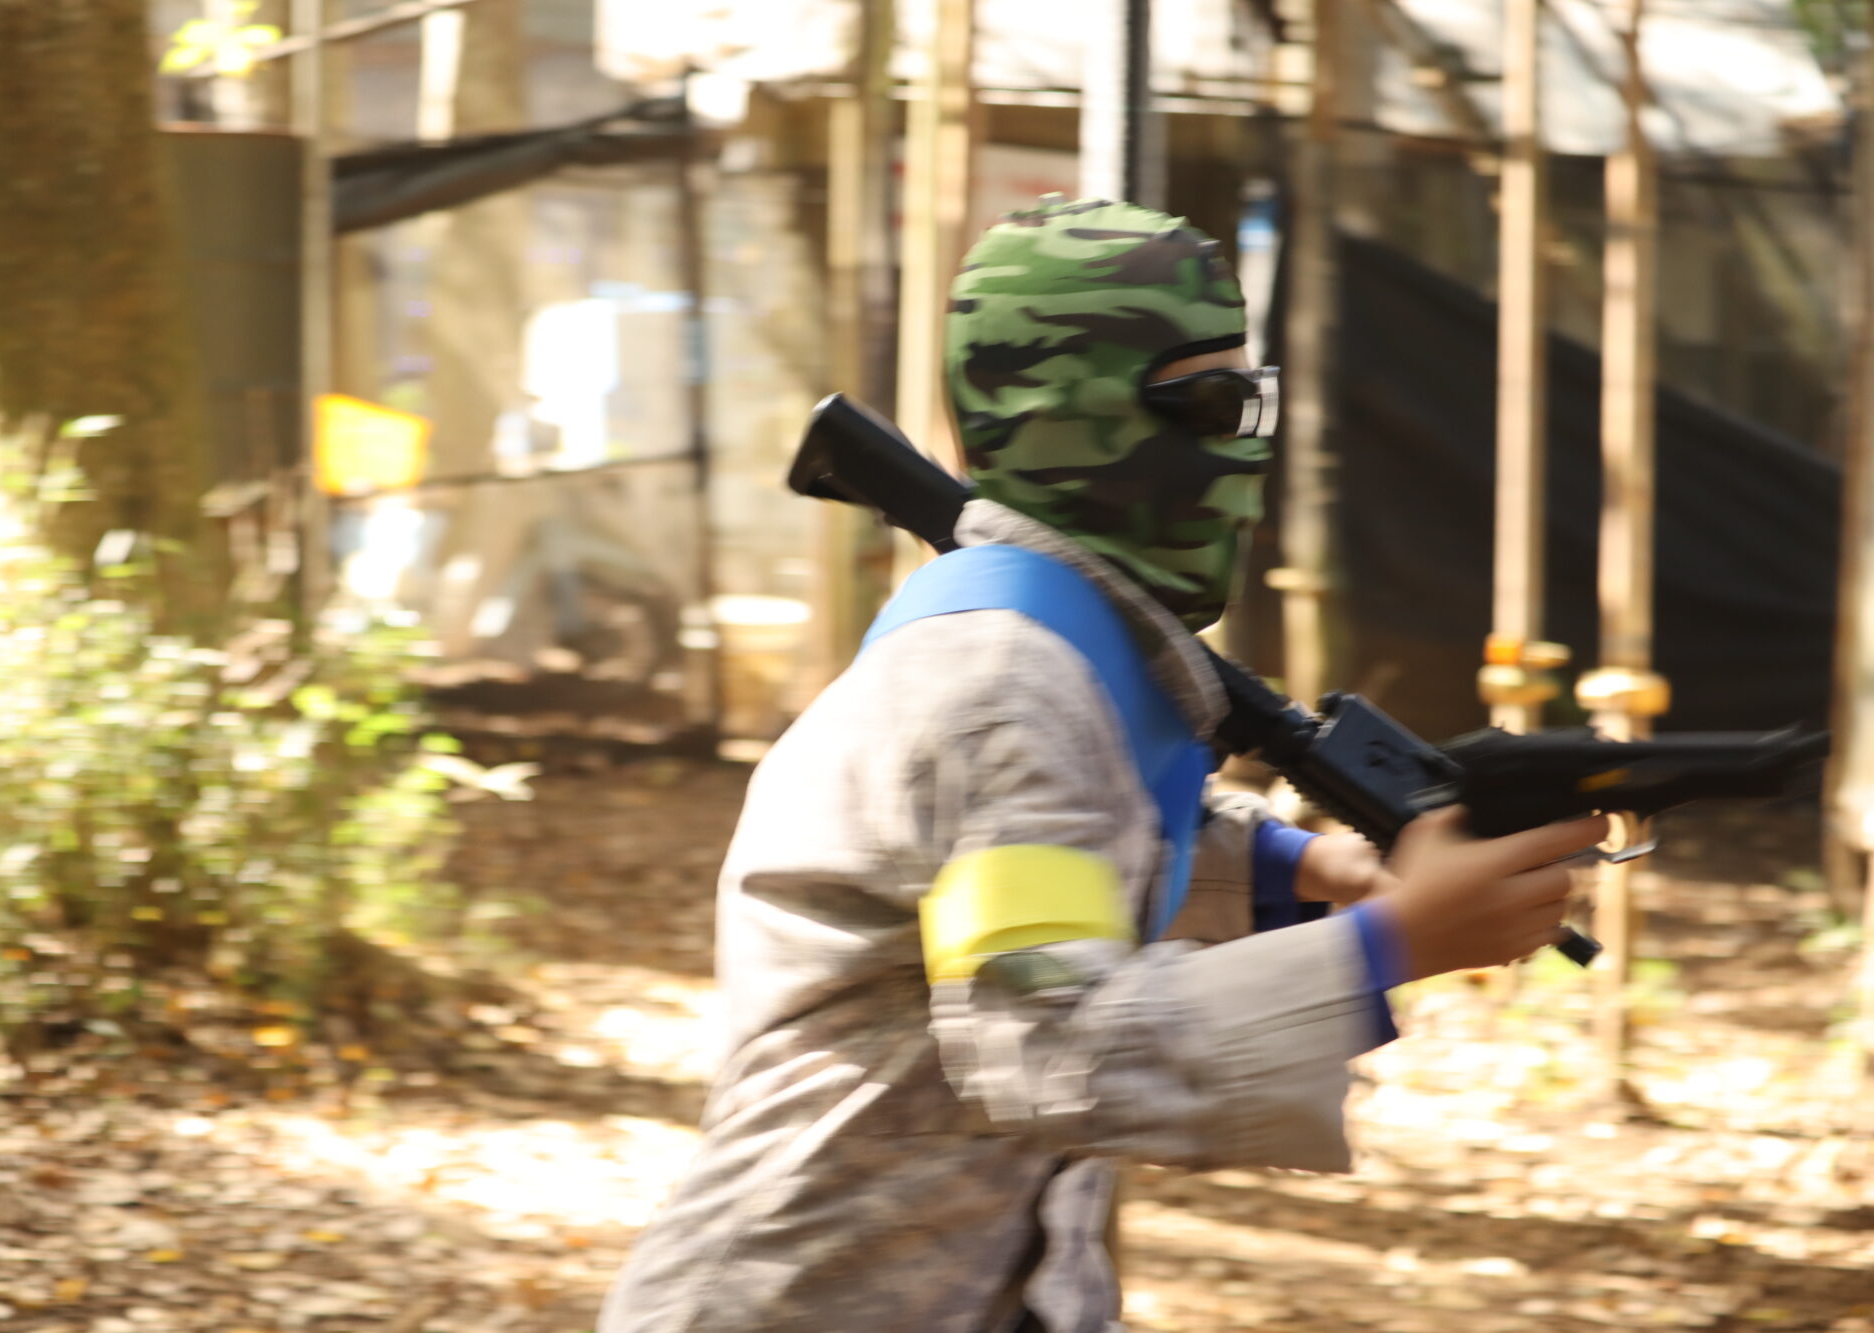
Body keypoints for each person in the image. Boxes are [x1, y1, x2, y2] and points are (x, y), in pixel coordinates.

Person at [597, 196, 1601, 1333]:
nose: (1247, 443)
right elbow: (1052, 1045)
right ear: (1064, 414)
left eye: (1252, 399)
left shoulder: (1041, 654)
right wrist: (1395, 940)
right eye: (1212, 404)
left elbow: (1042, 846)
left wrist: (1296, 866)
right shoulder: (1001, 681)